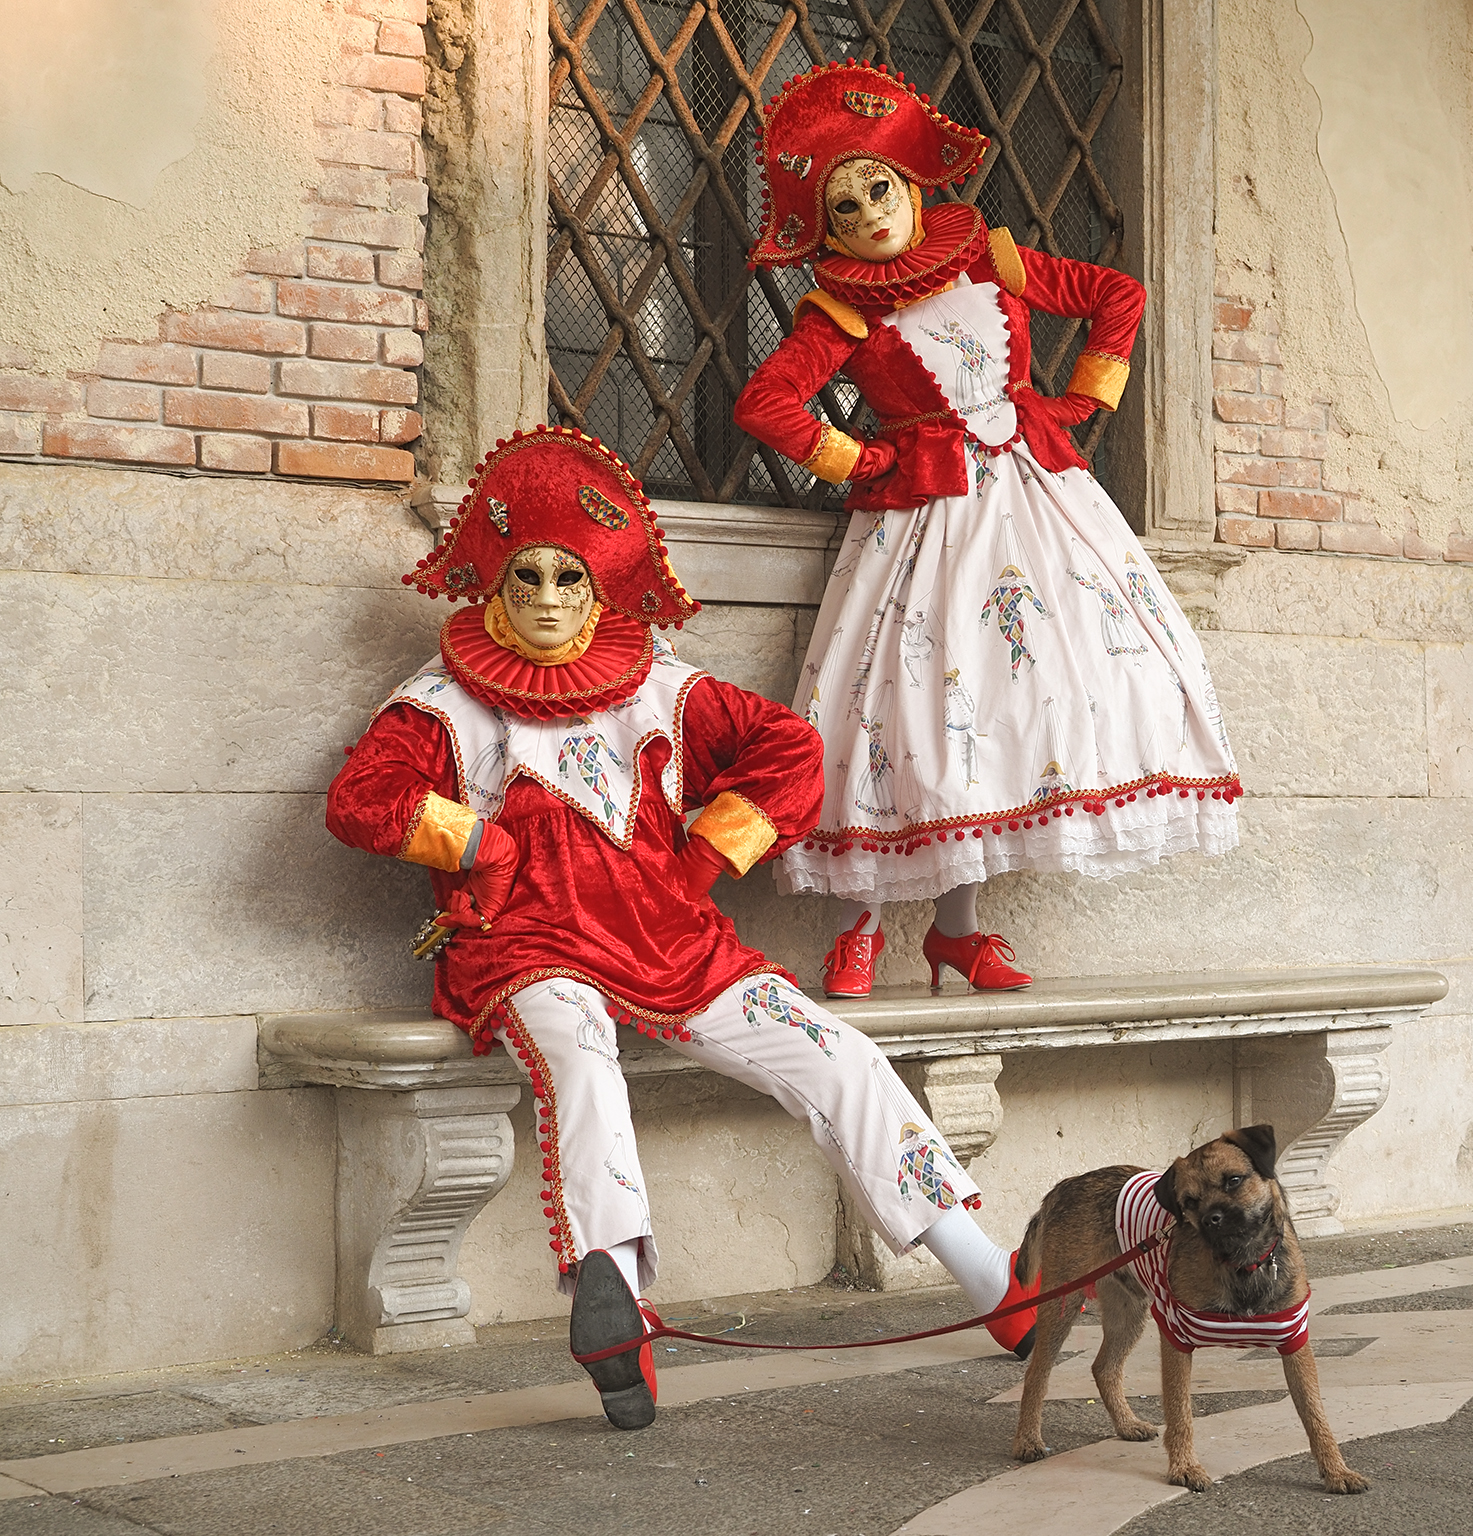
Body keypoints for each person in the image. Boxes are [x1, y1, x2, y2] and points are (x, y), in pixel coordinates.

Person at [325, 425, 1037, 1431]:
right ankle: (611, 1297)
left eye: (568, 579)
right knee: (577, 1055)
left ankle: (989, 1279)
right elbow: (361, 798)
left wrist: (701, 860)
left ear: (601, 587)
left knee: (833, 1050)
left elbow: (787, 752)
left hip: (676, 943)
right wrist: (474, 846)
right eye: (524, 576)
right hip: (526, 948)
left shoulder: (659, 685)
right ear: (493, 580)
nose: (544, 598)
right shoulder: (440, 703)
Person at [734, 61, 1242, 1001]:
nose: (871, 216)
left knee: (1003, 708)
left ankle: (956, 933)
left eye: (878, 187)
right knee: (899, 703)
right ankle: (858, 929)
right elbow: (765, 403)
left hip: (1037, 503)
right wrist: (864, 458)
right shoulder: (843, 309)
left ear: (912, 179)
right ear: (828, 230)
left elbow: (1116, 298)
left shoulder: (990, 257)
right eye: (843, 210)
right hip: (923, 520)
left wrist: (1087, 395)